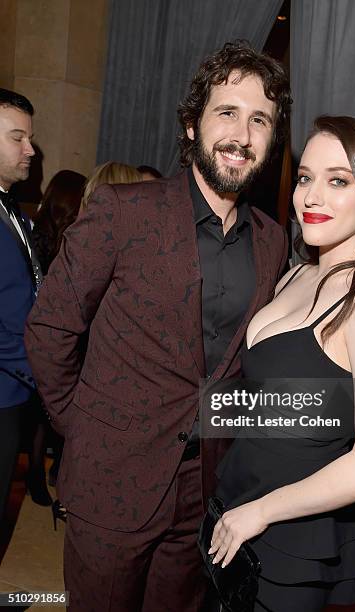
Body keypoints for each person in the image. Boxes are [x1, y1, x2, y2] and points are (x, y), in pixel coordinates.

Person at [25, 41, 291, 612]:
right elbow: (50, 330)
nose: (242, 134)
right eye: (227, 112)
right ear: (193, 124)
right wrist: (82, 425)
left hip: (203, 490)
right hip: (111, 478)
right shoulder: (125, 211)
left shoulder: (273, 240)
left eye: (259, 119)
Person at [208, 115, 355, 611]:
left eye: (338, 180)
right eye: (305, 177)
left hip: (288, 534)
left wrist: (260, 512)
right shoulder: (296, 272)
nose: (310, 197)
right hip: (237, 502)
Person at [28, 169, 86, 512]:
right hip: (52, 333)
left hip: (40, 332)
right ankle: (45, 472)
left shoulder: (40, 232)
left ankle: (40, 471)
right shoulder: (68, 237)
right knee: (44, 413)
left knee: (39, 412)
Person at [0, 88, 42, 522]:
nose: (30, 149)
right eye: (17, 137)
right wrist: (42, 372)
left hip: (13, 389)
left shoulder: (16, 212)